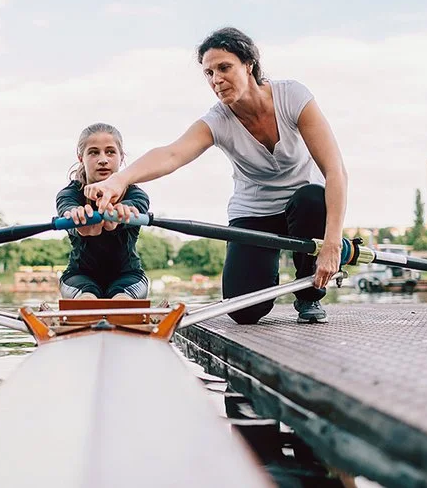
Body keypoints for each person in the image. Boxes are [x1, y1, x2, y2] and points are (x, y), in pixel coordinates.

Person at [84, 27, 348, 324]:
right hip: (254, 213)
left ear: (249, 65)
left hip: (303, 206)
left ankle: (309, 296)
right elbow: (171, 154)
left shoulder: (293, 96)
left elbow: (335, 171)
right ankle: (265, 277)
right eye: (209, 73)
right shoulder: (218, 120)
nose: (216, 80)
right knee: (244, 313)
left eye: (224, 68)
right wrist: (120, 179)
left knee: (313, 197)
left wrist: (332, 242)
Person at [56, 123, 150, 300]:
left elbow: (121, 216)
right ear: (80, 157)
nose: (103, 160)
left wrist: (118, 215)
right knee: (88, 299)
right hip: (79, 277)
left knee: (121, 300)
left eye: (110, 152)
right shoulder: (69, 194)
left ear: (121, 157)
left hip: (128, 277)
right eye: (93, 152)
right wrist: (78, 219)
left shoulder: (136, 195)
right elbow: (68, 210)